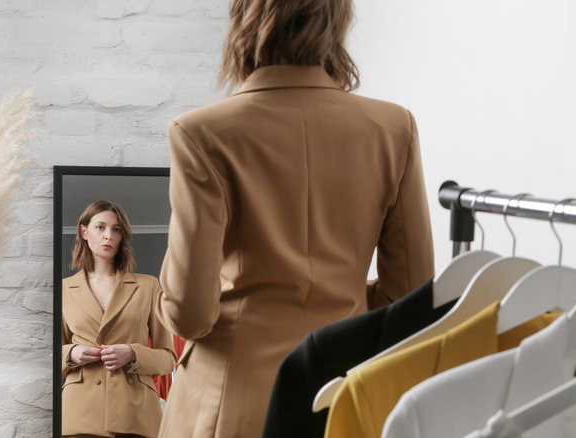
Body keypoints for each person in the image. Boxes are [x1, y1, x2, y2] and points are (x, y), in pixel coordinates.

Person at [155, 0, 435, 437]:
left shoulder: (201, 133)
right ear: (336, 23)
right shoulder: (393, 128)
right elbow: (411, 294)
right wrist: (340, 301)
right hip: (345, 393)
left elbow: (190, 314)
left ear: (245, 23)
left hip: (231, 398)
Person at [62, 200, 177, 438]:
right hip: (80, 412)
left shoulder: (148, 286)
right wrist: (71, 354)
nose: (108, 236)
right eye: (100, 227)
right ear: (84, 232)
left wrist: (133, 353)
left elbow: (169, 359)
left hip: (136, 413)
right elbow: (48, 356)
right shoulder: (63, 290)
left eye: (116, 229)